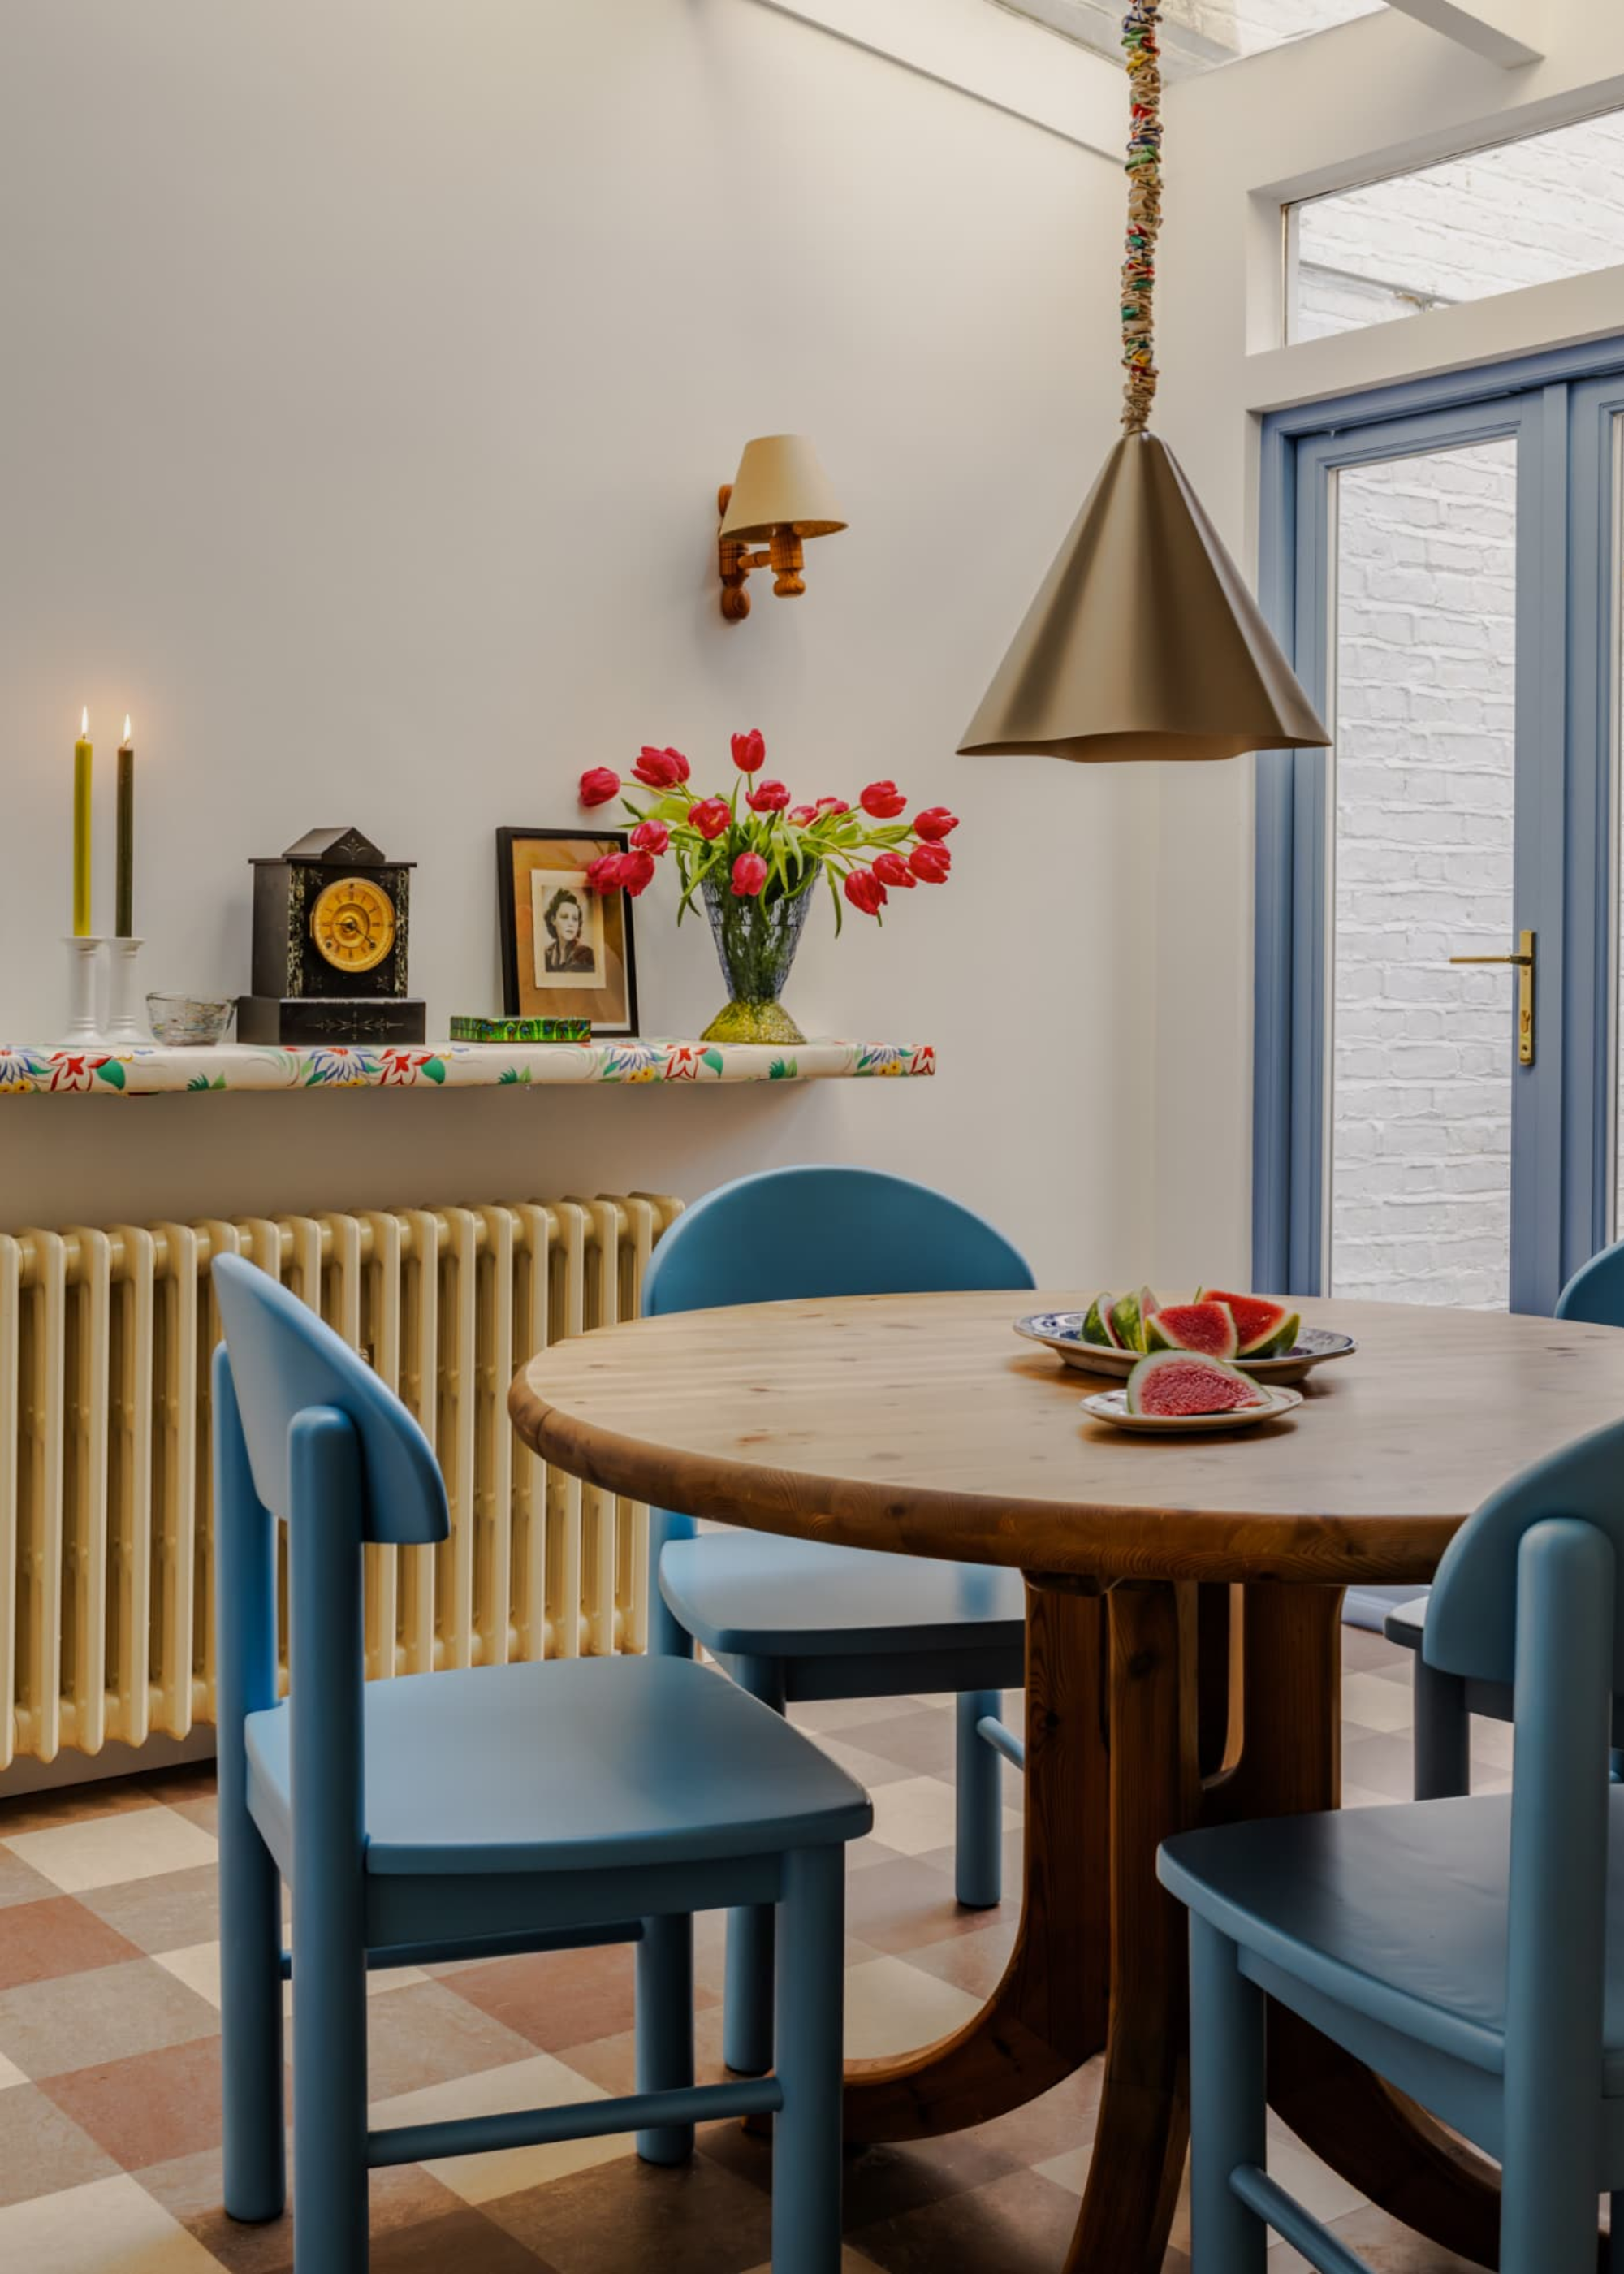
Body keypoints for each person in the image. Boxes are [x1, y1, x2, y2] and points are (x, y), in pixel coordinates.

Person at [542, 886, 596, 975]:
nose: (571, 924)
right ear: (553, 920)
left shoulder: (586, 954)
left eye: (575, 919)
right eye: (564, 917)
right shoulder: (547, 953)